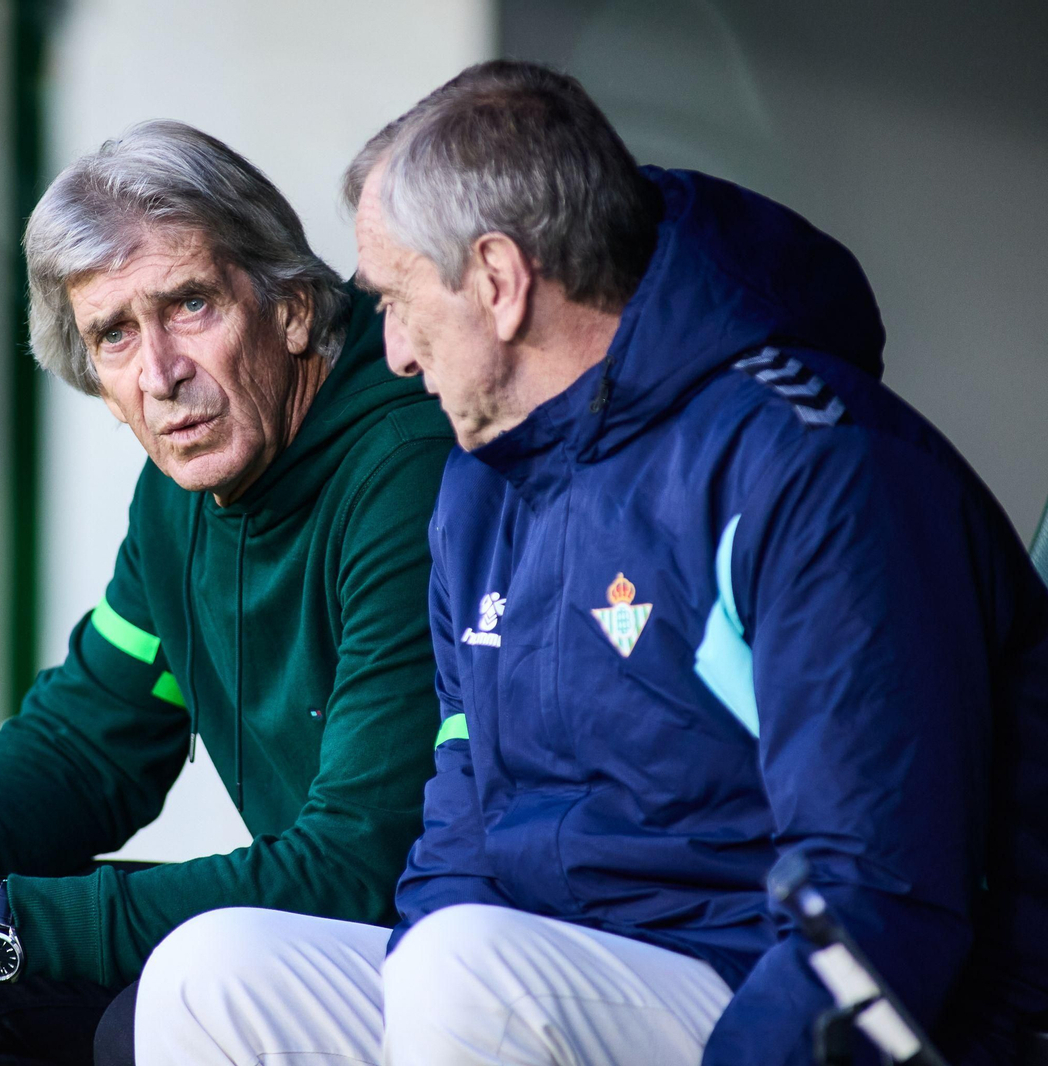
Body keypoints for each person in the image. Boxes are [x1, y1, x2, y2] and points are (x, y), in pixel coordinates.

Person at [134, 61, 1048, 1066]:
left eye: (396, 299)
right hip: (539, 977)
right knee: (214, 969)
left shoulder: (813, 467)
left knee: (464, 968)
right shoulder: (478, 485)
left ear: (497, 280)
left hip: (797, 1004)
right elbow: (458, 838)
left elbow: (879, 899)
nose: (392, 351)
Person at [0, 121, 455, 1065]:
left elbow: (359, 864)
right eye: (115, 334)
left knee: (121, 1009)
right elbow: (89, 741)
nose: (161, 375)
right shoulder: (180, 492)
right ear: (96, 382)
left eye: (190, 305)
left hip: (431, 942)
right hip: (320, 923)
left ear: (287, 306)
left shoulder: (405, 469)